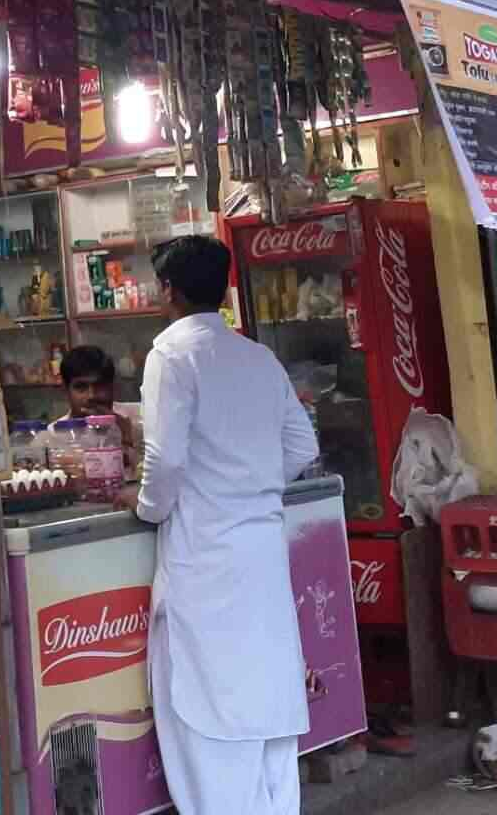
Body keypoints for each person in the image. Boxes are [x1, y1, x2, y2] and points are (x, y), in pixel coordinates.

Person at [122, 234, 320, 815]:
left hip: (205, 560)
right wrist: (247, 483)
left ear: (167, 291)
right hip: (259, 553)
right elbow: (301, 444)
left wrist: (147, 508)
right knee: (266, 721)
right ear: (227, 289)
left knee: (210, 720)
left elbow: (164, 462)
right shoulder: (257, 357)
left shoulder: (172, 356)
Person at [61, 344, 138, 469]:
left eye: (100, 386)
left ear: (113, 388)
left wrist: (125, 437)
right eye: (81, 387)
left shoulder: (136, 427)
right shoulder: (51, 438)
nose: (91, 396)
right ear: (65, 391)